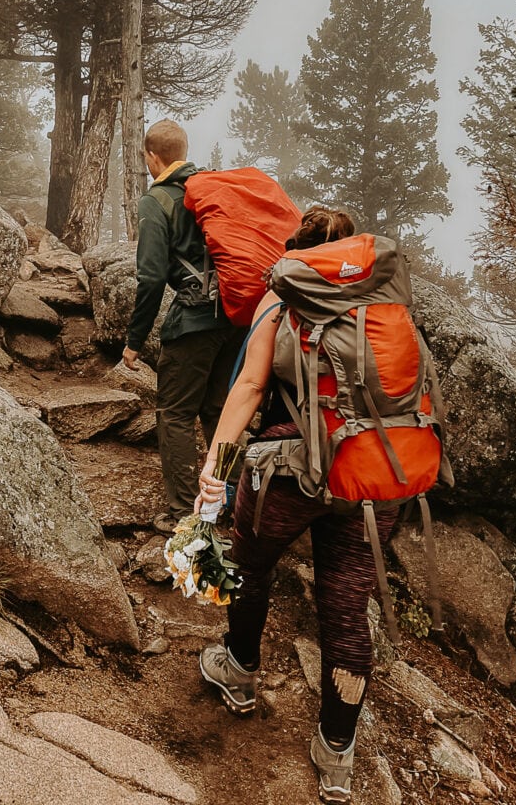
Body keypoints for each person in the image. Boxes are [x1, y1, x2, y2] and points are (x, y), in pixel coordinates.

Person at [195, 206, 401, 805]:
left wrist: (217, 470)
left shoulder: (283, 298)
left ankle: (238, 672)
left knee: (248, 564)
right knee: (345, 605)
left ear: (298, 253)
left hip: (288, 473)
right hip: (373, 479)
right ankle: (336, 753)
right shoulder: (384, 304)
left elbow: (251, 390)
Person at [122, 119, 245, 535]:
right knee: (220, 412)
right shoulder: (213, 189)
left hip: (194, 320)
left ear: (152, 156)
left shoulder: (157, 200)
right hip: (236, 318)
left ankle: (183, 513)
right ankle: (228, 503)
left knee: (174, 414)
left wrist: (134, 342)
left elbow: (152, 276)